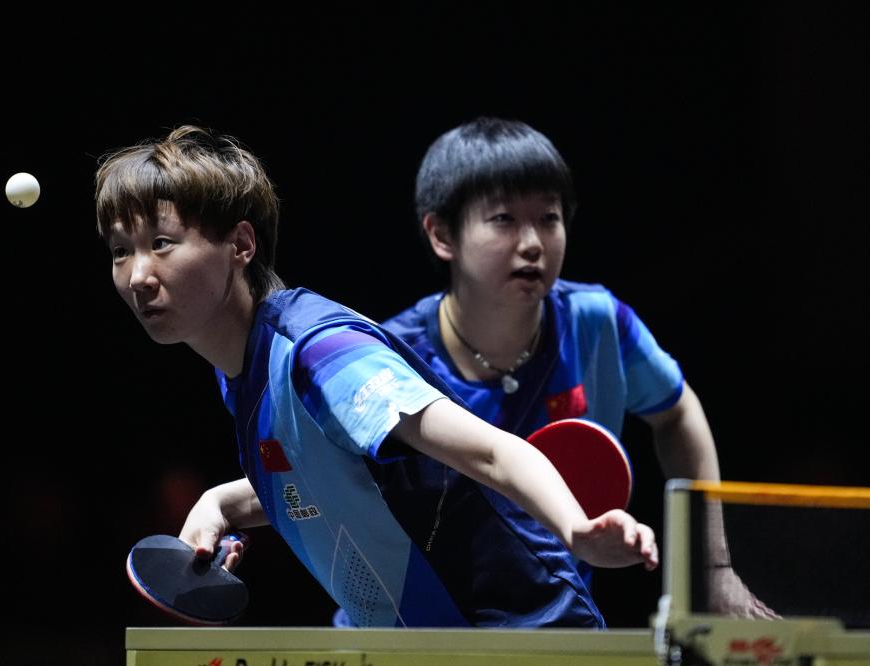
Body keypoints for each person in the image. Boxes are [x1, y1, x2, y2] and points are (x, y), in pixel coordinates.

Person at [96, 125, 657, 629]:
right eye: (121, 251)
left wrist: (575, 530)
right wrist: (219, 505)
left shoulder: (321, 353)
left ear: (241, 245)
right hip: (421, 639)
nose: (138, 275)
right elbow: (329, 474)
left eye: (161, 243)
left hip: (515, 630)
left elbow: (491, 451)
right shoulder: (244, 368)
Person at [370, 116, 774, 619]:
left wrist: (712, 567)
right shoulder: (390, 357)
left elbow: (677, 412)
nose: (533, 242)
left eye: (549, 218)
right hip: (413, 630)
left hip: (554, 626)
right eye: (503, 219)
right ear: (442, 235)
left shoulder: (596, 324)